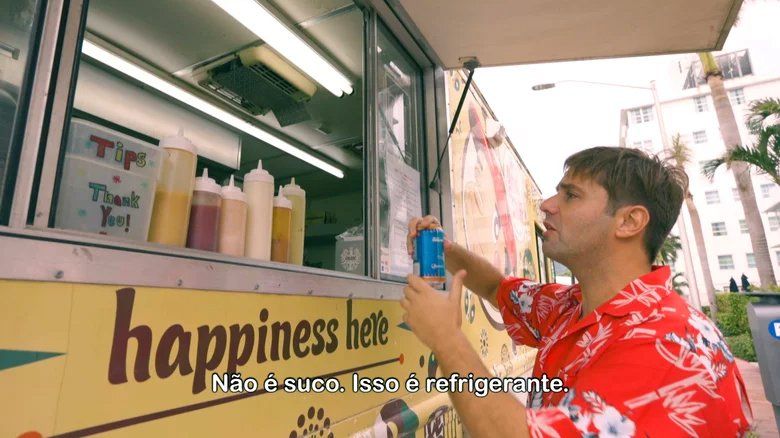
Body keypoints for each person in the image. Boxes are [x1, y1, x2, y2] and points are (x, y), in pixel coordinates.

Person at [402, 147, 752, 437]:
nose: (547, 204)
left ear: (630, 222)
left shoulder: (666, 344)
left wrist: (447, 340)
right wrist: (440, 248)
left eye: (570, 195)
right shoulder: (569, 307)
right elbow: (496, 287)